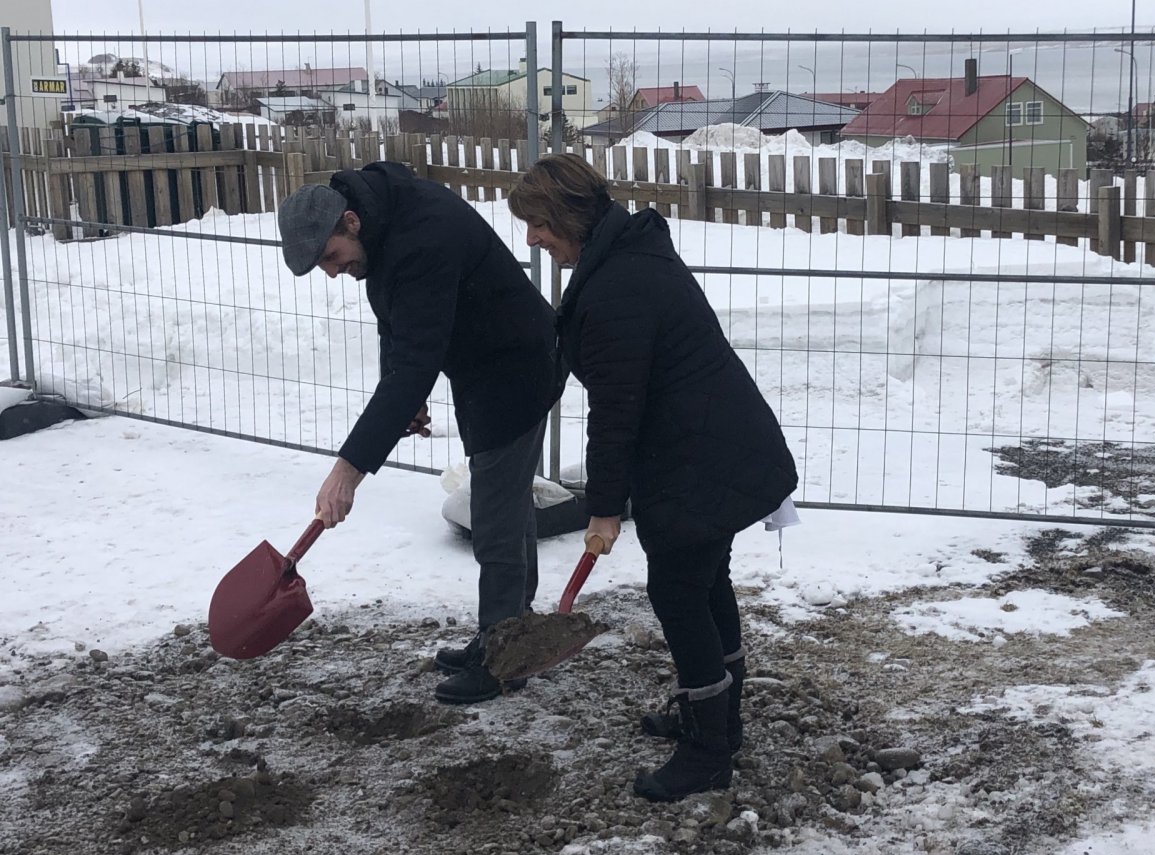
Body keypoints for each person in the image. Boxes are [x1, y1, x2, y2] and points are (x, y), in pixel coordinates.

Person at [507, 153, 799, 803]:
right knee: (702, 581)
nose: (531, 238)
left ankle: (707, 750)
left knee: (677, 591)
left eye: (537, 224)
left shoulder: (617, 287)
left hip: (702, 457)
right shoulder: (626, 255)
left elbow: (616, 411)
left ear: (568, 217)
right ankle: (721, 723)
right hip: (708, 446)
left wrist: (604, 509)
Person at [277, 161, 561, 705]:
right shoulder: (384, 226)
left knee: (497, 519)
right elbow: (398, 319)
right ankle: (509, 634)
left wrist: (348, 471)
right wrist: (400, 390)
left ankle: (503, 659)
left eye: (330, 258)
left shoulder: (419, 237)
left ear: (351, 222)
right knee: (506, 507)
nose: (333, 273)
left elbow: (414, 360)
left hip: (518, 368)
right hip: (483, 365)